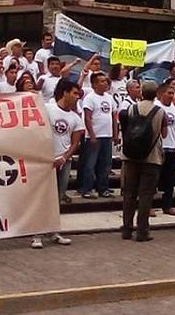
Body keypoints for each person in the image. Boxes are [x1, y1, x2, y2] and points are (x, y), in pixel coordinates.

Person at [31, 79, 83, 249]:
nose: (77, 97)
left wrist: (64, 157)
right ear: (65, 92)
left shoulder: (76, 118)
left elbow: (75, 143)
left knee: (58, 197)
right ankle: (37, 233)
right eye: (74, 93)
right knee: (42, 198)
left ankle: (53, 230)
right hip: (46, 161)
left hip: (63, 162)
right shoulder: (48, 109)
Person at [119, 82, 167, 242]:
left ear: (141, 93)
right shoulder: (160, 111)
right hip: (151, 157)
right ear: (156, 94)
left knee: (129, 193)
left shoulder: (132, 108)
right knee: (146, 195)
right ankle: (142, 231)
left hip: (131, 156)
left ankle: (126, 228)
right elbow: (164, 133)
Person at [80, 72, 118, 199]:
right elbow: (88, 118)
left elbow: (113, 117)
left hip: (107, 136)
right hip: (94, 136)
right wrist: (91, 135)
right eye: (101, 81)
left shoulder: (109, 97)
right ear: (94, 84)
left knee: (106, 164)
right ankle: (87, 189)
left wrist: (115, 134)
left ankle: (103, 188)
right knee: (90, 164)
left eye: (106, 81)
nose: (105, 83)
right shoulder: (90, 98)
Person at [154, 82, 175, 216]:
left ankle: (168, 205)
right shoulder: (156, 107)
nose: (171, 96)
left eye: (173, 93)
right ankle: (149, 206)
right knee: (153, 178)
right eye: (169, 93)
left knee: (170, 179)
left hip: (171, 147)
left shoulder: (174, 109)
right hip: (158, 148)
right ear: (160, 94)